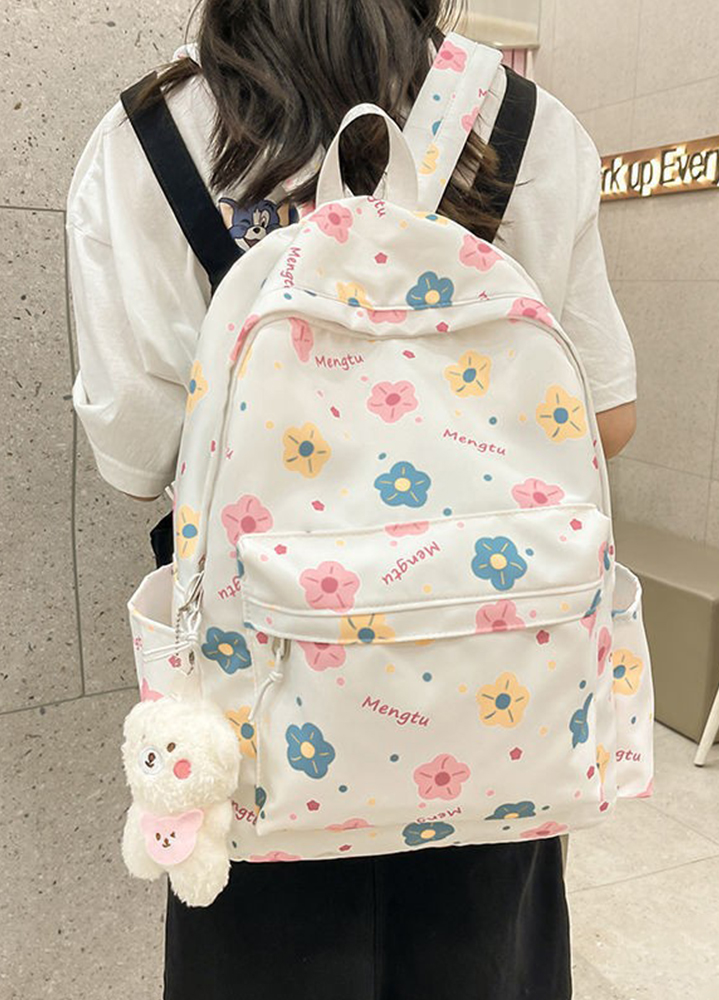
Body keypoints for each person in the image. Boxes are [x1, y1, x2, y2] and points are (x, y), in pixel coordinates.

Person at [67, 2, 637, 998]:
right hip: (493, 694)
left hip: (263, 711)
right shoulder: (524, 122)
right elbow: (610, 420)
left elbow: (135, 459)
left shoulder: (147, 138)